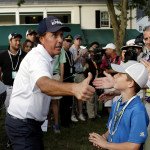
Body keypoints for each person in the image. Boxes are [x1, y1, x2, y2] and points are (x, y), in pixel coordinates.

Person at [5, 16, 95, 150]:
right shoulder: (38, 57)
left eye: (61, 35)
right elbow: (44, 84)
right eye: (54, 35)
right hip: (23, 125)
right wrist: (74, 88)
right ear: (41, 39)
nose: (60, 40)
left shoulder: (46, 57)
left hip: (28, 124)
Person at [89, 61, 149, 150]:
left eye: (120, 74)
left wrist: (106, 144)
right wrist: (103, 138)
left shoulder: (138, 111)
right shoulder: (117, 103)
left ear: (130, 83)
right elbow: (112, 128)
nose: (115, 76)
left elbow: (133, 146)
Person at [0, 33, 26, 109]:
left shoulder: (25, 55)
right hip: (7, 88)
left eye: (19, 40)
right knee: (8, 111)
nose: (18, 43)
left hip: (21, 88)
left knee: (21, 110)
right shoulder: (2, 55)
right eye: (16, 40)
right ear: (10, 41)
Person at [70, 34, 86, 122]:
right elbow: (72, 62)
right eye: (77, 39)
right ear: (74, 40)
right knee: (73, 96)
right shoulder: (71, 49)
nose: (79, 41)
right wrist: (79, 55)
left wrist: (83, 57)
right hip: (74, 74)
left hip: (81, 73)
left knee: (80, 95)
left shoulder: (81, 49)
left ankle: (80, 113)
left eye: (80, 39)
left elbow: (83, 64)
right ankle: (72, 114)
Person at [59, 34, 75, 127]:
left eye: (70, 41)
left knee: (70, 102)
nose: (69, 43)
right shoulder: (61, 52)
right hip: (64, 80)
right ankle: (64, 122)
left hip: (71, 79)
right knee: (64, 102)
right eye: (67, 41)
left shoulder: (70, 53)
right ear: (63, 41)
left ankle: (68, 120)